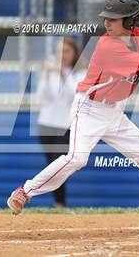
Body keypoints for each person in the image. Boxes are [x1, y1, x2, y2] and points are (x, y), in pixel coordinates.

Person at [7, 0, 139, 235]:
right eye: (106, 18)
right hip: (89, 109)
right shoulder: (108, 45)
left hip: (114, 112)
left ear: (130, 21)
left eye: (114, 19)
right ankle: (25, 191)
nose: (106, 23)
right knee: (77, 158)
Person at [36, 38, 86, 207]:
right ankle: (59, 203)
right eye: (59, 51)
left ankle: (59, 203)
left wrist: (62, 74)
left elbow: (74, 95)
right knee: (51, 163)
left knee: (59, 163)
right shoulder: (49, 71)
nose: (61, 55)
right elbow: (43, 96)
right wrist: (46, 73)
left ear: (74, 54)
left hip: (66, 126)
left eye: (66, 51)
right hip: (47, 124)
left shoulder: (80, 73)